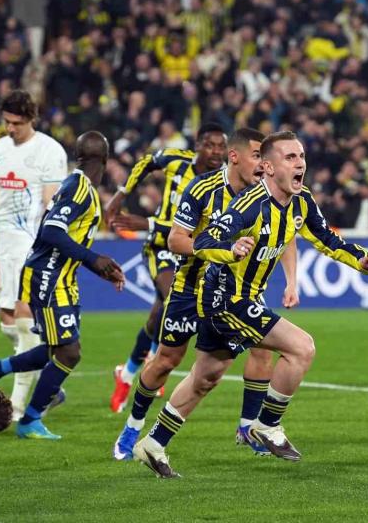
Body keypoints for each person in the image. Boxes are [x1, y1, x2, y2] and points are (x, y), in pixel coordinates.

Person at [132, 131, 368, 478]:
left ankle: (153, 443)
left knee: (205, 377)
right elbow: (206, 239)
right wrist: (230, 249)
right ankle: (266, 424)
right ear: (268, 167)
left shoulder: (302, 201)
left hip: (243, 298)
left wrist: (362, 260)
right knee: (302, 347)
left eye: (301, 156)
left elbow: (326, 238)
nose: (300, 163)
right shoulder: (248, 204)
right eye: (290, 157)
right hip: (225, 299)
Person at [112, 128, 299, 460]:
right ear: (235, 157)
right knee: (166, 361)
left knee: (262, 351)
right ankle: (132, 426)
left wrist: (290, 281)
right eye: (257, 156)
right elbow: (176, 240)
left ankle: (248, 428)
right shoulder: (202, 188)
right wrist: (222, 250)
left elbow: (285, 233)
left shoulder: (266, 191)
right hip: (191, 286)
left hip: (236, 290)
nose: (263, 164)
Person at [0, 131, 125, 439]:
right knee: (69, 352)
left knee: (56, 348)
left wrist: (99, 268)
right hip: (48, 276)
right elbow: (51, 231)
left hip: (61, 277)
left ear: (78, 156)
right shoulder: (79, 188)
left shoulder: (79, 186)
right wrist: (94, 259)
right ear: (106, 159)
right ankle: (29, 419)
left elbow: (68, 238)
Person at [105, 123, 227, 413]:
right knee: (173, 296)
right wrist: (122, 193)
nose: (216, 152)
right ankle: (151, 363)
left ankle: (127, 372)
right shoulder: (176, 160)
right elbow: (147, 162)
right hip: (160, 247)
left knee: (158, 315)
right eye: (210, 145)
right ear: (197, 145)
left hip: (190, 251)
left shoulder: (223, 182)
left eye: (221, 146)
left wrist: (148, 223)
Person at [0, 90, 68, 420]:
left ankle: (20, 407)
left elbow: (52, 205)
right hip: (5, 247)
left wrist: (47, 251)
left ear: (32, 119)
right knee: (8, 321)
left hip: (32, 246)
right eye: (6, 122)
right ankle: (46, 381)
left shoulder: (50, 151)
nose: (10, 128)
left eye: (17, 123)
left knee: (24, 318)